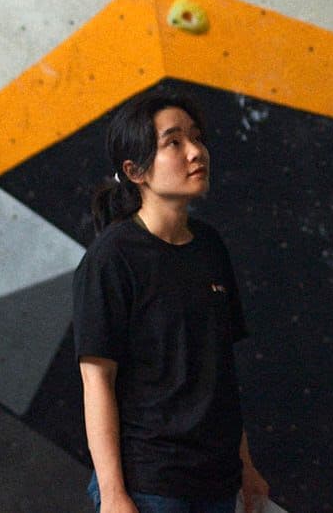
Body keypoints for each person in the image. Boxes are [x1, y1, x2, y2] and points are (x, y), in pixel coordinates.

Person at [73, 86, 270, 513]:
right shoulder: (112, 258)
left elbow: (219, 374)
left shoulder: (210, 247)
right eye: (174, 142)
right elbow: (97, 381)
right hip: (151, 487)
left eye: (197, 137)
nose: (196, 152)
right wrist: (112, 494)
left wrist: (245, 465)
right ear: (136, 170)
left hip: (218, 484)